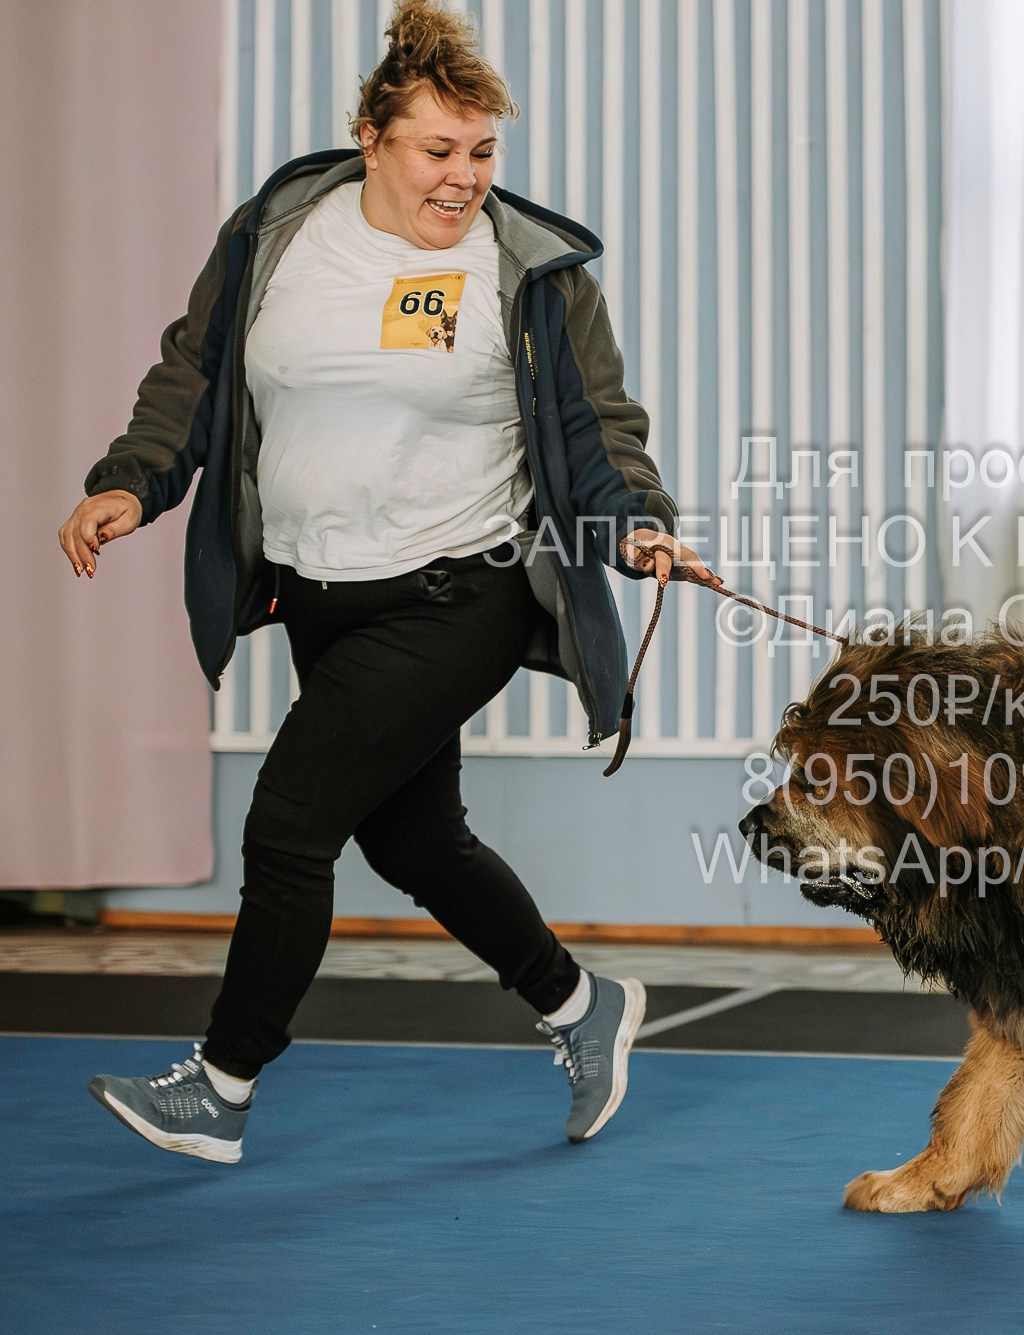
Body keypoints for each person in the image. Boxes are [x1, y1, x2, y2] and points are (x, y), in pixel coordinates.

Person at [55, 0, 716, 1163]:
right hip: (320, 593)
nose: (462, 180)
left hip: (462, 588)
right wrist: (134, 482)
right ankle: (580, 1005)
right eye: (437, 151)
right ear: (372, 138)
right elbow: (194, 374)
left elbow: (599, 427)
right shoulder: (277, 235)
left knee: (291, 822)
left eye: (481, 154)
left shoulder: (528, 274)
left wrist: (637, 527)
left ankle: (222, 1085)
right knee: (416, 842)